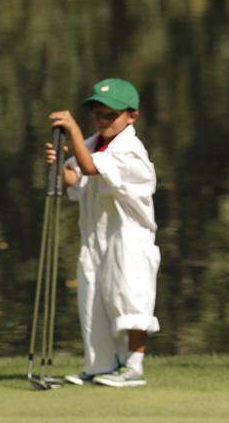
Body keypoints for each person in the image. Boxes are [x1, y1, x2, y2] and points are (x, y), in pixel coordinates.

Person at [44, 77, 160, 388]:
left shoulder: (131, 150)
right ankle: (99, 365)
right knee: (93, 299)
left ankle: (132, 367)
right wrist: (59, 166)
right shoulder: (95, 143)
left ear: (131, 116)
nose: (102, 120)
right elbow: (74, 175)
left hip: (129, 239)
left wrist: (74, 132)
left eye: (110, 115)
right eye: (98, 113)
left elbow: (92, 168)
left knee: (129, 301)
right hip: (95, 238)